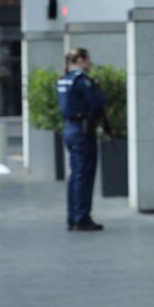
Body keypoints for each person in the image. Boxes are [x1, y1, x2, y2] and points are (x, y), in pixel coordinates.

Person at [57, 48, 106, 231]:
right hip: (82, 130)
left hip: (70, 128)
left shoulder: (65, 79)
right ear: (80, 60)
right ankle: (81, 217)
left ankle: (73, 216)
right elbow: (97, 102)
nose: (90, 63)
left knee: (76, 175)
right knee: (84, 174)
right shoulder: (82, 80)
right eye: (88, 59)